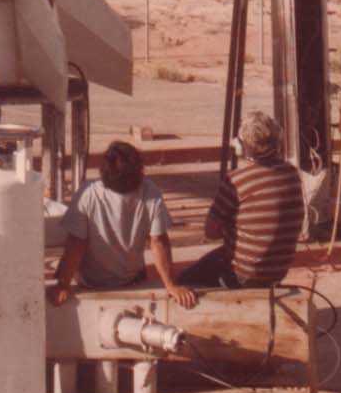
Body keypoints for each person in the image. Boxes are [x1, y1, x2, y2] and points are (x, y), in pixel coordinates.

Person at [49, 138, 196, 309]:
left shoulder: (88, 193)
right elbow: (159, 242)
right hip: (130, 280)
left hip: (91, 282)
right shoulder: (150, 191)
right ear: (139, 172)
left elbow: (76, 244)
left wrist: (63, 284)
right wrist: (171, 285)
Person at [180, 110, 305, 290]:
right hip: (279, 269)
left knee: (184, 281)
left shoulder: (237, 180)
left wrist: (233, 227)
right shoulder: (292, 174)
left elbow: (211, 232)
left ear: (241, 146)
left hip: (243, 273)